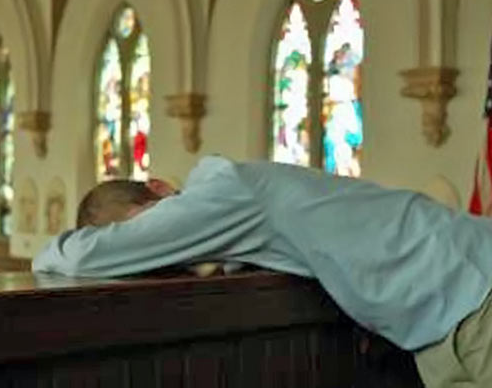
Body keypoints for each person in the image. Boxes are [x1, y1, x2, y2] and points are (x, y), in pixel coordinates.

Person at [33, 155, 492, 388]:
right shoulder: (241, 199)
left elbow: (80, 258)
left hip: (469, 294)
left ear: (158, 188)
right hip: (438, 322)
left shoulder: (226, 191)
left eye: (147, 232)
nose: (161, 247)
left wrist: (43, 253)